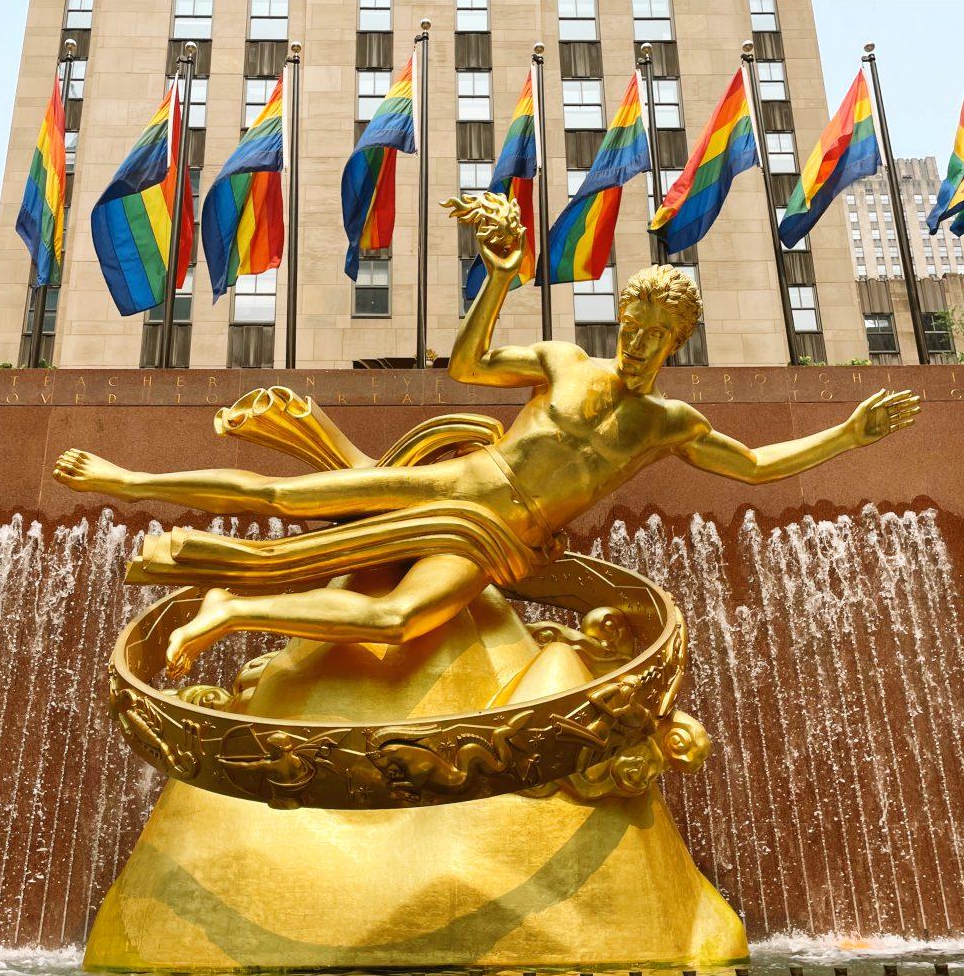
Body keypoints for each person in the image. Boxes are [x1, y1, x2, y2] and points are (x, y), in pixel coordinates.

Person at [54, 192, 920, 678]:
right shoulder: (562, 359)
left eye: (663, 338)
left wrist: (847, 433)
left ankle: (233, 609)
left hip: (502, 540)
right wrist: (500, 279)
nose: (646, 346)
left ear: (679, 343)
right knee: (290, 496)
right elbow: (466, 368)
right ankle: (128, 480)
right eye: (637, 329)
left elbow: (762, 467)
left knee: (394, 619)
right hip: (461, 482)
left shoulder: (670, 422)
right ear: (622, 321)